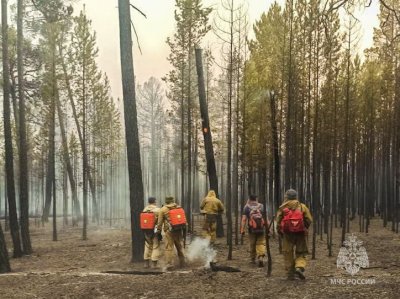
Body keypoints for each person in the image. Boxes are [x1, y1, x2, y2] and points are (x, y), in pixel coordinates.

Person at [276, 189, 313, 280]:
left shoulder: (282, 207)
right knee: (301, 252)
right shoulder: (302, 206)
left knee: (287, 252)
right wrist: (304, 228)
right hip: (300, 233)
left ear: (286, 197)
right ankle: (299, 267)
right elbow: (309, 219)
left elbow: (278, 221)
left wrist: (280, 232)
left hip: (287, 234)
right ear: (296, 197)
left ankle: (290, 274)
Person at [155, 196, 186, 270]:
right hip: (179, 229)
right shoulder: (179, 207)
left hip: (169, 231)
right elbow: (184, 220)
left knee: (169, 247)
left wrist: (158, 232)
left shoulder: (163, 209)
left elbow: (159, 223)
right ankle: (183, 262)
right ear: (173, 201)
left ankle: (169, 265)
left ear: (166, 201)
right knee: (180, 246)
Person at [240, 194, 267, 267]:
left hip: (251, 229)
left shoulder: (246, 207)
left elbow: (244, 219)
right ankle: (261, 257)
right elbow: (265, 218)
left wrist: (242, 230)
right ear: (256, 198)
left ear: (249, 199)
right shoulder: (261, 206)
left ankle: (252, 259)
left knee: (252, 244)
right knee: (261, 243)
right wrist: (268, 229)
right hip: (261, 229)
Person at [142, 197, 160, 268]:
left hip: (146, 231)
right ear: (154, 201)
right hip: (154, 231)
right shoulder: (157, 210)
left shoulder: (145, 209)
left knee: (147, 246)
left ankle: (146, 263)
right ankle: (154, 264)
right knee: (155, 246)